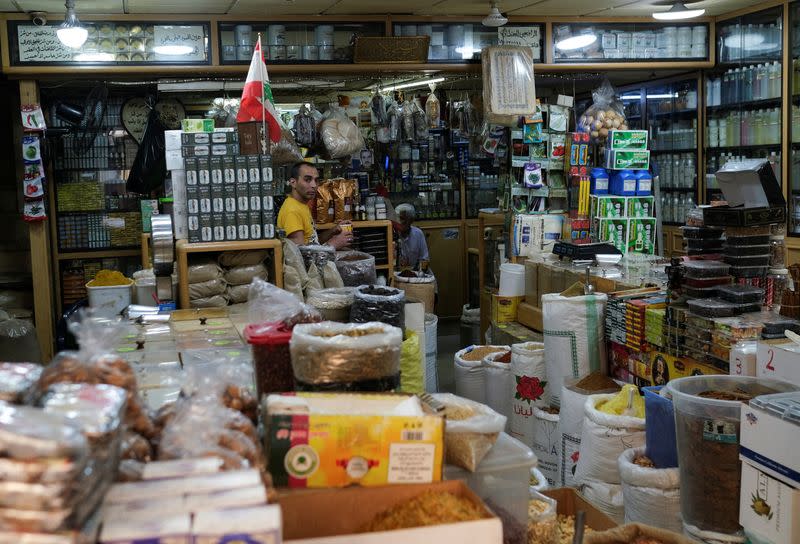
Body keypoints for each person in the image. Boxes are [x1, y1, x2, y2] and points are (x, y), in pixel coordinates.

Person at [277, 161, 351, 248]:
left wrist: (333, 231)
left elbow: (312, 243)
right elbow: (300, 254)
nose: (314, 185)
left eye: (316, 180)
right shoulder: (292, 211)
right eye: (307, 180)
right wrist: (333, 244)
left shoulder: (301, 205)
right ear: (293, 183)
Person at [395, 203, 429, 269]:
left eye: (402, 218)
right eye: (397, 218)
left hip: (415, 273)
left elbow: (425, 258)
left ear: (411, 220)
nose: (399, 222)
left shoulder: (418, 234)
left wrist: (417, 270)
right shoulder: (392, 234)